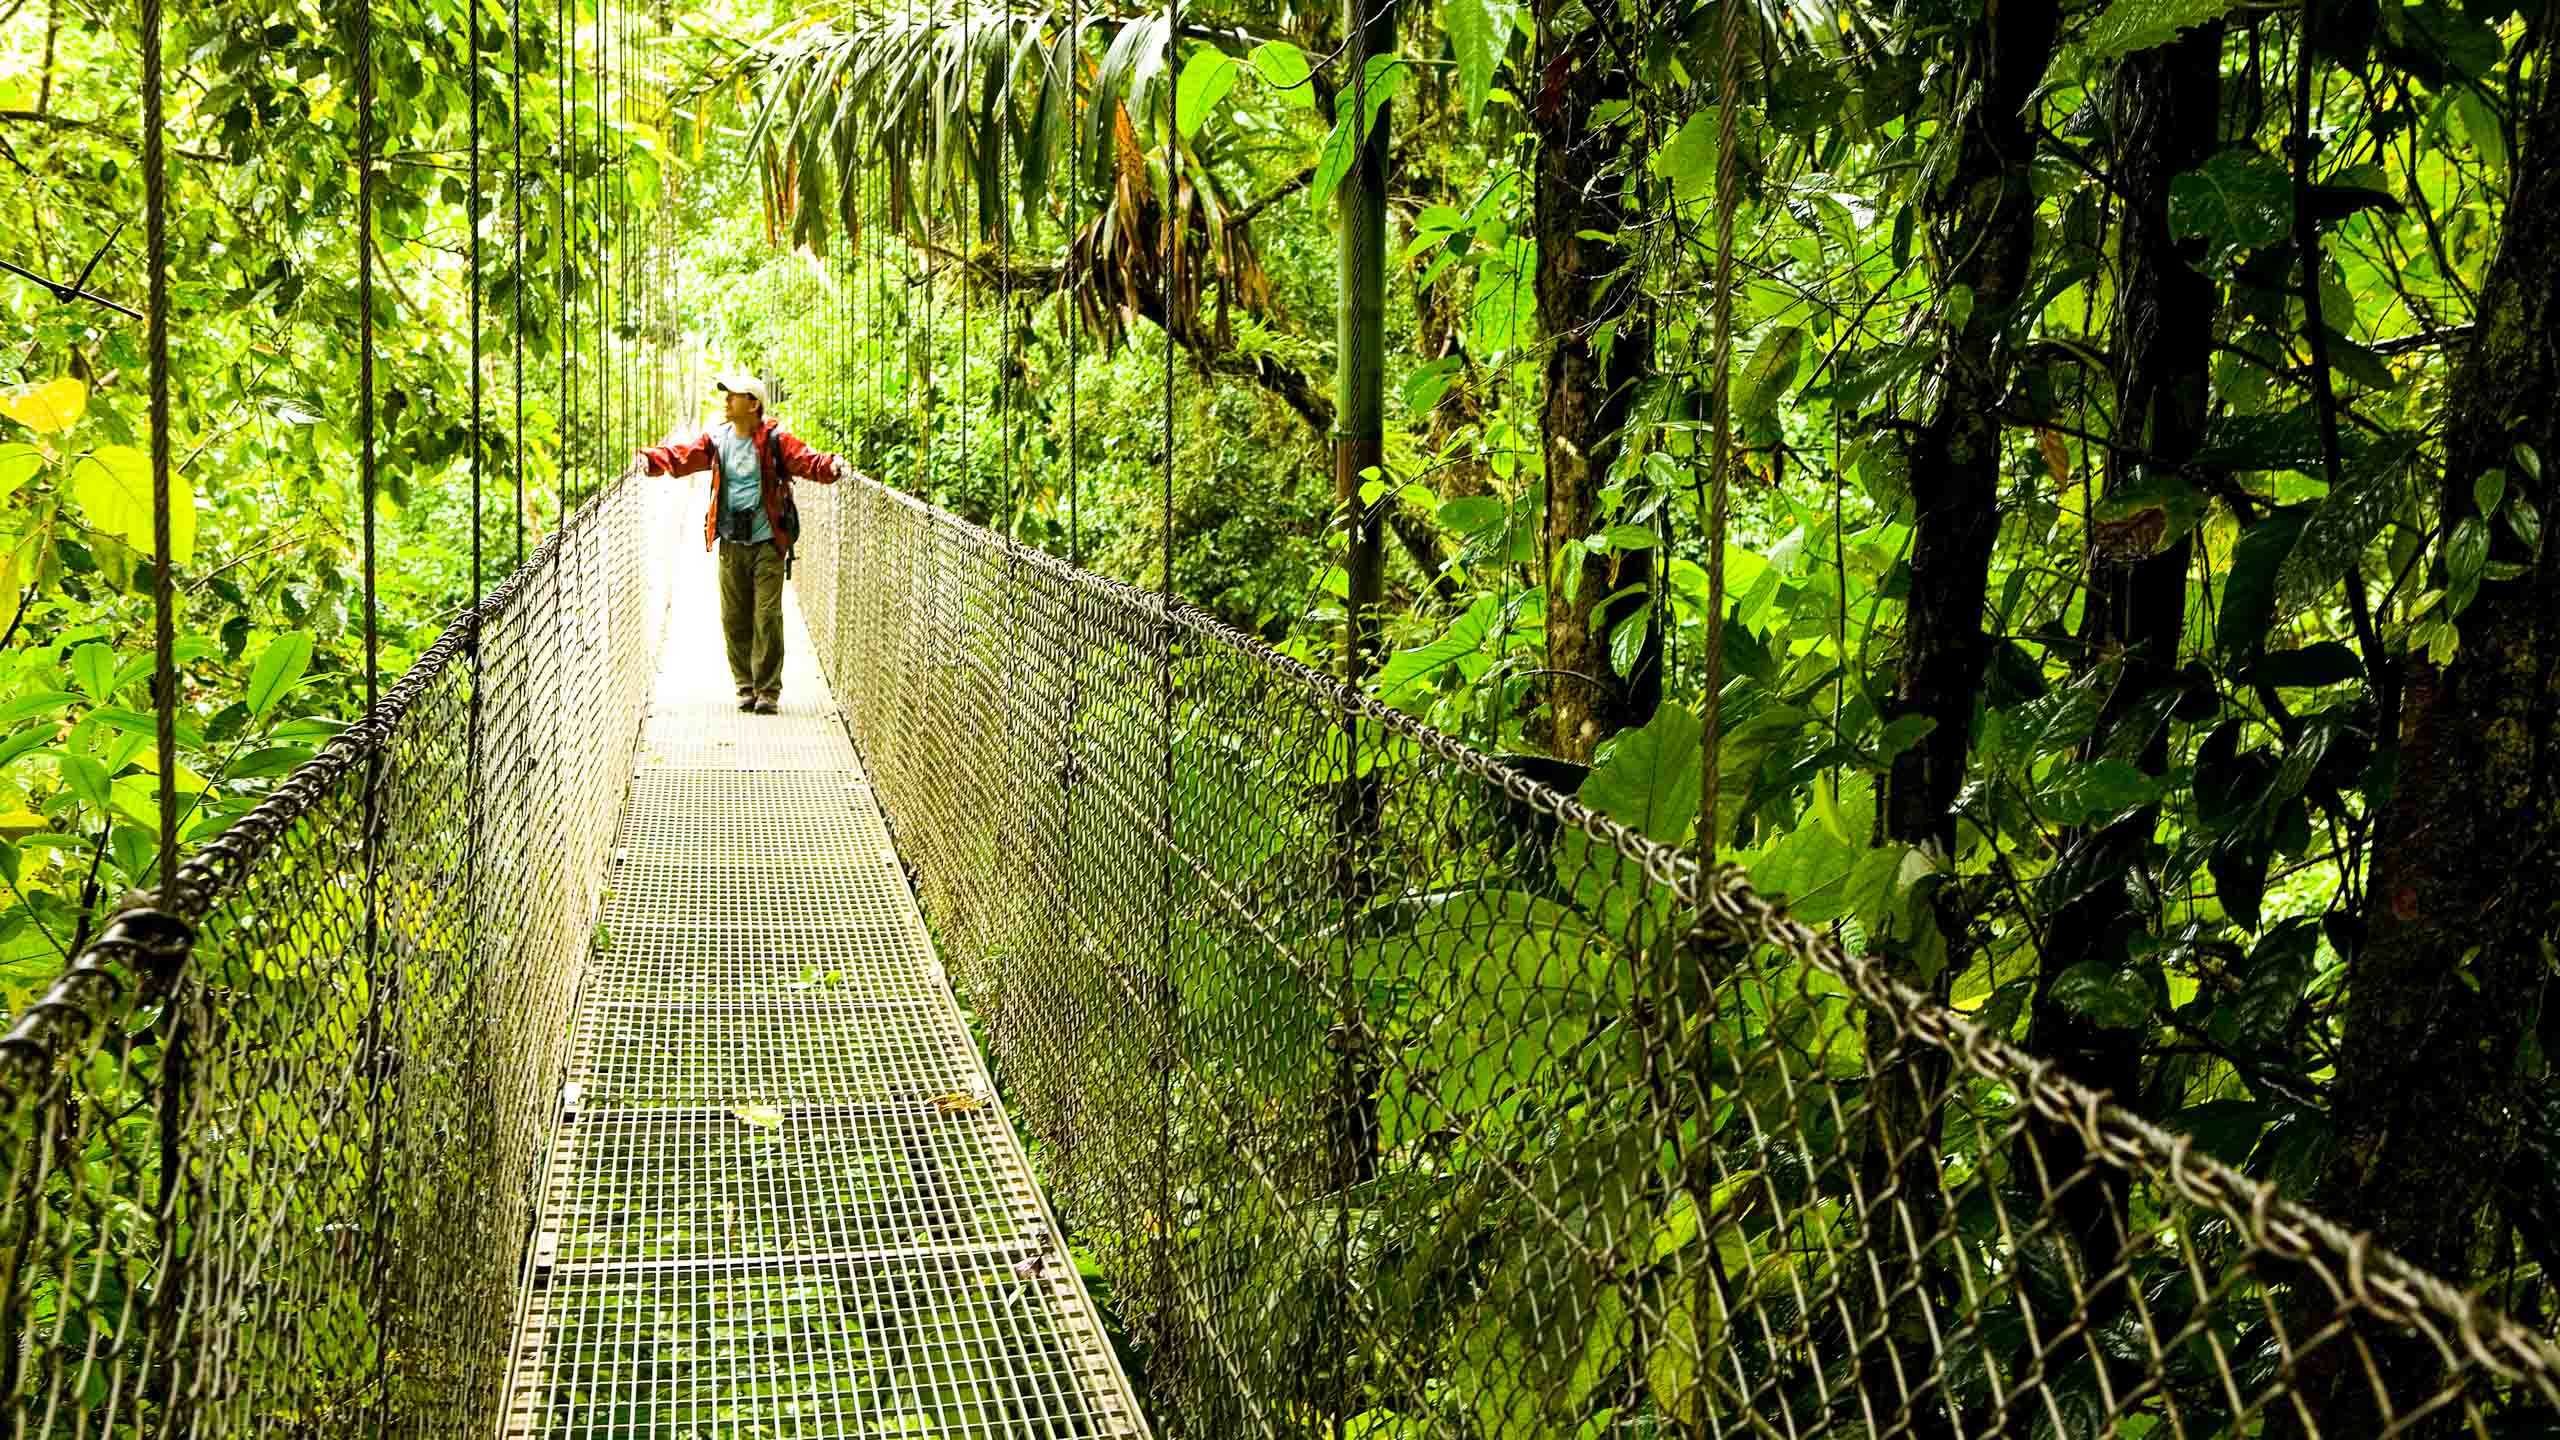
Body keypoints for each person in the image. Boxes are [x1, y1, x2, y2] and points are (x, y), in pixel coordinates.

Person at [634, 374, 852, 713]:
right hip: (732, 542)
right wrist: (654, 459)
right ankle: (745, 684)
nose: (725, 401)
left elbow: (807, 460)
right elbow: (684, 455)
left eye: (733, 396)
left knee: (767, 615)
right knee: (734, 617)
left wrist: (832, 466)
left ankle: (768, 690)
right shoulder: (717, 439)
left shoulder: (776, 440)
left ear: (753, 404)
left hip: (767, 540)